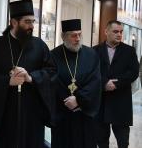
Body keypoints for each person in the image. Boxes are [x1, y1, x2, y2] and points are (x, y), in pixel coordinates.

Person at [0, 0, 56, 148]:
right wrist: (7, 81)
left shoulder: (39, 45)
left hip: (32, 114)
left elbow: (51, 72)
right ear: (14, 22)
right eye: (27, 22)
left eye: (33, 22)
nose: (32, 26)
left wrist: (31, 77)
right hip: (5, 113)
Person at [51, 19, 101, 148]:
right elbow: (52, 81)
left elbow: (95, 82)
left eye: (79, 34)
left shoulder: (91, 54)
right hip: (62, 115)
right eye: (73, 35)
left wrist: (79, 99)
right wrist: (68, 101)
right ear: (63, 36)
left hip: (84, 114)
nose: (78, 38)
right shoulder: (53, 55)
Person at [94, 20, 139, 148]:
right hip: (101, 102)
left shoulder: (129, 51)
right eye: (115, 31)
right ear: (106, 32)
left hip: (121, 103)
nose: (119, 34)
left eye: (121, 32)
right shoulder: (95, 51)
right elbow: (91, 72)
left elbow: (133, 72)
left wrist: (116, 83)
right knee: (101, 140)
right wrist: (104, 83)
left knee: (123, 141)